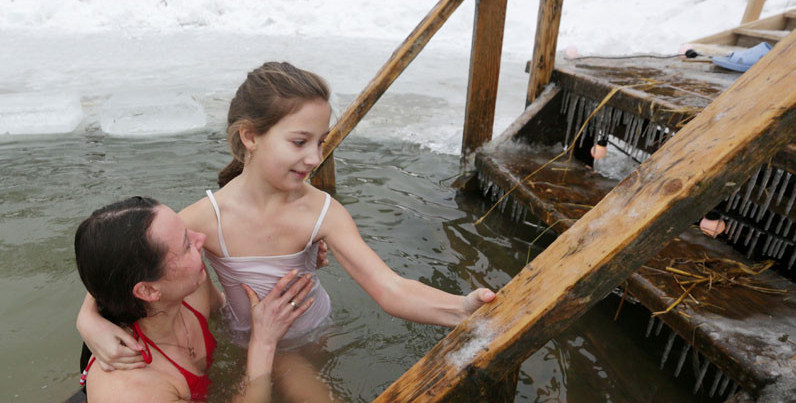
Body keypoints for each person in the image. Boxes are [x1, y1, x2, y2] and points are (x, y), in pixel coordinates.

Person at [79, 61, 494, 366]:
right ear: (250, 136)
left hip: (313, 333)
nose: (315, 157)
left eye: (321, 141)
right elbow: (128, 266)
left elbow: (389, 289)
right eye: (299, 142)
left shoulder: (322, 212)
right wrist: (89, 321)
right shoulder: (211, 217)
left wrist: (461, 309)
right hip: (244, 340)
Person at [75, 197, 314, 403]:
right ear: (147, 290)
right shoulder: (129, 392)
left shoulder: (188, 288)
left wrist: (302, 254)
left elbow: (225, 316)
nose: (200, 238)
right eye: (187, 244)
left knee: (291, 362)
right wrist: (263, 342)